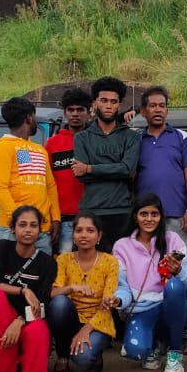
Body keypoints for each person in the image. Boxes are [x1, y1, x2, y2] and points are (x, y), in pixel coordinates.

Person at [133, 85, 187, 348]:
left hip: (178, 218)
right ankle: (160, 333)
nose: (158, 110)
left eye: (162, 105)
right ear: (143, 111)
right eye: (152, 105)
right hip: (147, 221)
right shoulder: (136, 140)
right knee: (151, 276)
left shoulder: (182, 137)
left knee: (183, 274)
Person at [113, 193, 187, 372]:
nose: (149, 219)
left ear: (161, 217)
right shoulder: (122, 246)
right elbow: (122, 286)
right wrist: (118, 300)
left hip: (171, 307)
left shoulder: (172, 239)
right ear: (135, 216)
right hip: (141, 310)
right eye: (144, 214)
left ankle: (175, 352)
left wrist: (179, 271)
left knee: (174, 286)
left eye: (154, 214)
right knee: (136, 351)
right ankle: (155, 344)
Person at [0, 205, 56, 372]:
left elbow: (43, 303)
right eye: (22, 225)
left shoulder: (48, 263)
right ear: (13, 228)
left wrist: (20, 321)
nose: (28, 230)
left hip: (26, 318)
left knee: (39, 329)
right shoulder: (2, 249)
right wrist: (23, 291)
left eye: (33, 225)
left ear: (40, 229)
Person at [48, 213, 120, 372]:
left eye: (90, 230)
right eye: (79, 230)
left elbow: (107, 304)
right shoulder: (63, 259)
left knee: (82, 357)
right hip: (71, 318)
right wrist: (72, 288)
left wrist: (85, 330)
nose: (84, 235)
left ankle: (96, 355)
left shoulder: (110, 261)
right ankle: (62, 357)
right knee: (59, 304)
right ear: (73, 235)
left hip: (97, 322)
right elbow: (52, 293)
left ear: (99, 236)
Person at [73, 76, 140, 250]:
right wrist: (116, 170)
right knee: (91, 263)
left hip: (122, 211)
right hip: (91, 211)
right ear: (95, 103)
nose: (108, 106)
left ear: (119, 105)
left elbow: (127, 170)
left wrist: (89, 168)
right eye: (104, 101)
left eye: (113, 101)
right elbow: (80, 176)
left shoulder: (131, 137)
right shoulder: (81, 138)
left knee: (122, 263)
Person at [0, 97, 60, 253]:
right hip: (13, 229)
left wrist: (56, 218)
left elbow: (50, 186)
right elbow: (0, 189)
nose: (35, 120)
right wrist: (20, 221)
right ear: (29, 117)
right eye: (34, 116)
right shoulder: (2, 148)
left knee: (41, 269)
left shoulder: (39, 150)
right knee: (12, 269)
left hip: (43, 229)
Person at [46, 87, 91, 252]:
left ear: (89, 112)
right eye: (71, 110)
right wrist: (54, 219)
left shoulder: (95, 141)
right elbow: (47, 183)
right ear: (65, 113)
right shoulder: (52, 143)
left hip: (90, 219)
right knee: (64, 264)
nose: (75, 114)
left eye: (80, 110)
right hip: (62, 220)